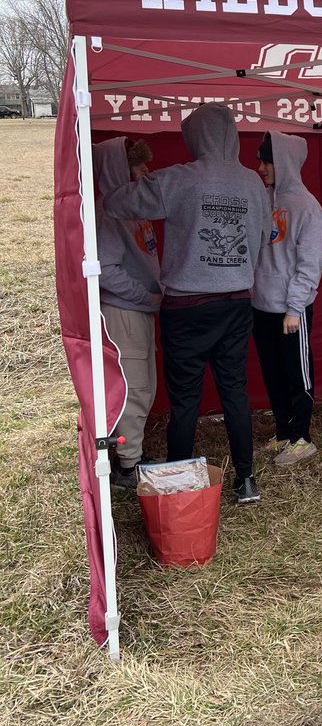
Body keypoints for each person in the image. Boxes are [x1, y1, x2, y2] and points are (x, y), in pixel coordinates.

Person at [103, 103, 271, 505]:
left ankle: (176, 484)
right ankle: (245, 480)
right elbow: (263, 240)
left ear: (194, 137)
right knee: (234, 391)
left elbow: (114, 204)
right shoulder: (252, 184)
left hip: (187, 307)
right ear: (231, 135)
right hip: (236, 302)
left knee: (185, 400)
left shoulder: (177, 180)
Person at [251, 131, 322, 466]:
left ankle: (302, 438)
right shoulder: (263, 199)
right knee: (273, 373)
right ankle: (283, 433)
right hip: (261, 305)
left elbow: (311, 262)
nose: (261, 167)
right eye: (260, 160)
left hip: (290, 310)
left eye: (267, 160)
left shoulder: (307, 207)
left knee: (297, 373)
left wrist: (295, 307)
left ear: (284, 162)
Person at [93, 138, 162, 489]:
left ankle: (132, 457)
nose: (145, 171)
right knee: (134, 388)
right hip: (124, 311)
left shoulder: (132, 207)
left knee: (145, 387)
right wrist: (145, 296)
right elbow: (105, 268)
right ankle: (128, 467)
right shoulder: (108, 211)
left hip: (141, 308)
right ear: (120, 169)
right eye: (137, 165)